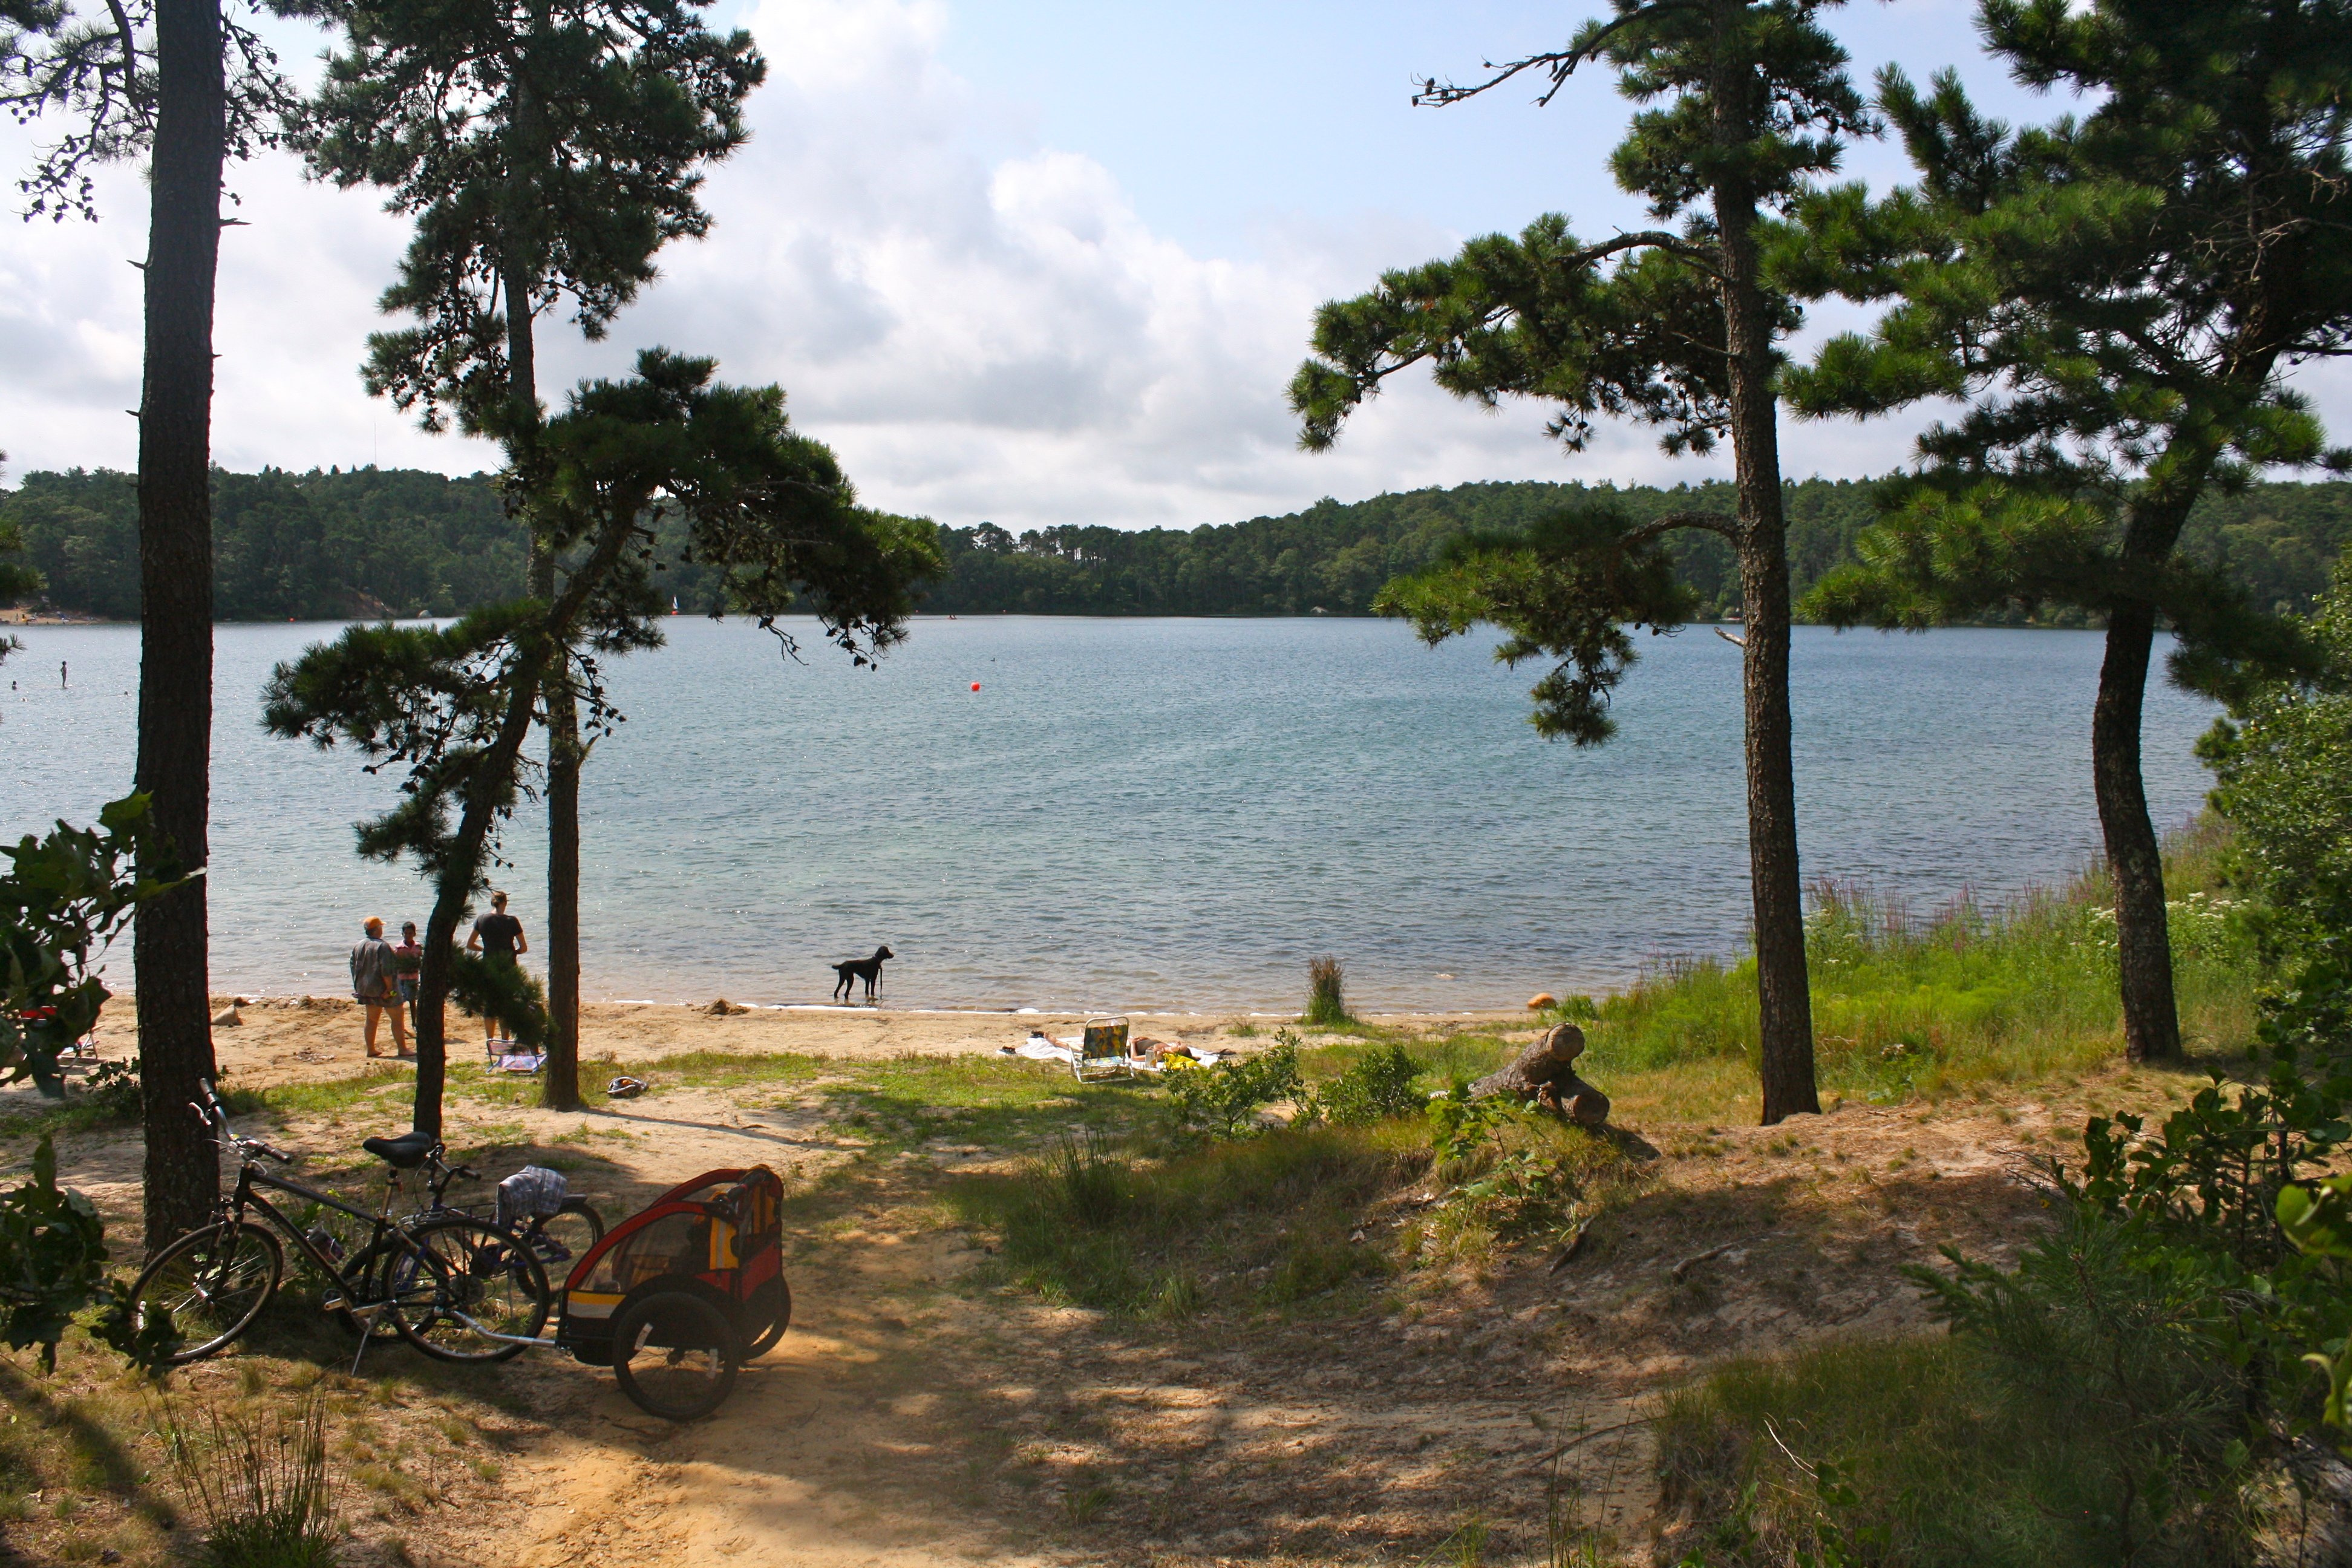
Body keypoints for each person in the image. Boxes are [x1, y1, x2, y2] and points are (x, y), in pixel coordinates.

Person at [466, 891, 528, 1043]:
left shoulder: (482, 919)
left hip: (488, 965)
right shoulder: (512, 921)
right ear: (505, 903)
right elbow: (524, 948)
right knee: (506, 1004)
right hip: (508, 967)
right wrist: (514, 953)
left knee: (490, 1004)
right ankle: (505, 1041)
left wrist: (484, 950)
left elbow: (470, 944)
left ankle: (490, 1041)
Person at [350, 916, 410, 1059]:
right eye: (381, 927)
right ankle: (402, 1049)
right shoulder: (382, 946)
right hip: (385, 990)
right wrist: (390, 989)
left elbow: (353, 967)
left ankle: (371, 1049)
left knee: (371, 1019)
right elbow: (386, 970)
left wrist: (359, 987)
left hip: (366, 989)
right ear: (377, 929)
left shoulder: (358, 945)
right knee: (397, 1016)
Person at [393, 921, 423, 1013]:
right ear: (402, 934)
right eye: (406, 933)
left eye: (410, 933)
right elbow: (394, 963)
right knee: (400, 999)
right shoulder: (399, 948)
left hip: (413, 977)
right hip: (401, 977)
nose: (408, 935)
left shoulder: (418, 947)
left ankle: (414, 1021)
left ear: (414, 934)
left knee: (413, 1000)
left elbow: (420, 962)